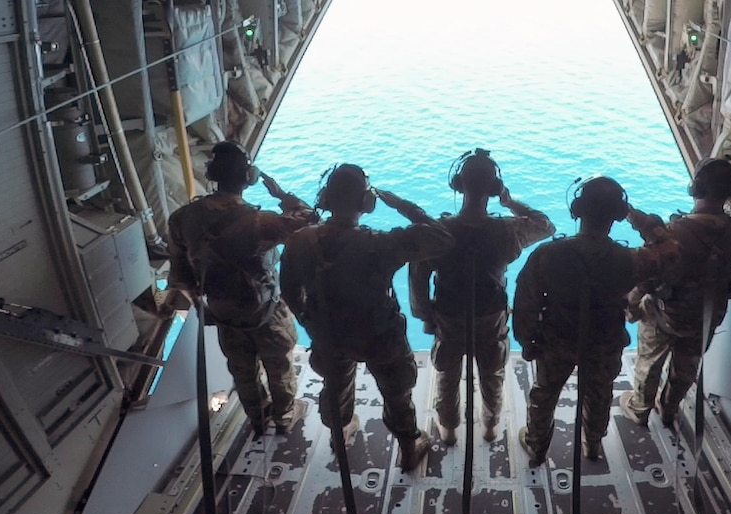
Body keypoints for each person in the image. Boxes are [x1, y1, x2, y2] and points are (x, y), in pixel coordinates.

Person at [279, 164, 455, 472]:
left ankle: (339, 433)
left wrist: (310, 323)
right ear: (365, 203)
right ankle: (409, 447)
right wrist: (401, 204)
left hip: (330, 336)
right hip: (380, 337)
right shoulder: (381, 244)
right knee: (397, 394)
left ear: (325, 198)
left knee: (334, 386)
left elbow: (290, 291)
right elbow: (442, 238)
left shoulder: (298, 242)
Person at [512, 176, 678, 465]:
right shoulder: (630, 260)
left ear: (577, 209)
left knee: (544, 395)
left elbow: (525, 304)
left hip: (557, 341)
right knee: (599, 395)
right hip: (604, 342)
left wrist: (528, 342)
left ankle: (537, 444)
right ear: (617, 214)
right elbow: (670, 251)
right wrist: (638, 219)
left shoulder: (547, 255)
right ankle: (592, 444)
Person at [165, 141, 316, 437]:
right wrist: (283, 196)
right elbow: (309, 221)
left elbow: (182, 277)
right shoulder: (261, 222)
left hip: (222, 311)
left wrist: (203, 306)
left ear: (212, 175)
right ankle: (284, 416)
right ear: (248, 177)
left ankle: (258, 420)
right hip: (265, 312)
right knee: (279, 364)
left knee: (242, 370)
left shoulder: (182, 218)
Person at [409, 149, 555, 445]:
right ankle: (490, 427)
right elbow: (545, 225)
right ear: (494, 188)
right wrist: (510, 201)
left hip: (448, 316)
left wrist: (425, 316)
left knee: (447, 375)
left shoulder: (440, 230)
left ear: (457, 184)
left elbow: (418, 274)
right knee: (492, 375)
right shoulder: (508, 230)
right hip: (491, 317)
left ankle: (448, 431)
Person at [620, 157, 731, 428]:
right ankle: (668, 410)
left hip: (666, 315)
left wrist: (630, 307)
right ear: (730, 191)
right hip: (706, 316)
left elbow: (647, 280)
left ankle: (639, 408)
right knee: (685, 370)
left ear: (696, 189)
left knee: (649, 364)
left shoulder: (675, 234)